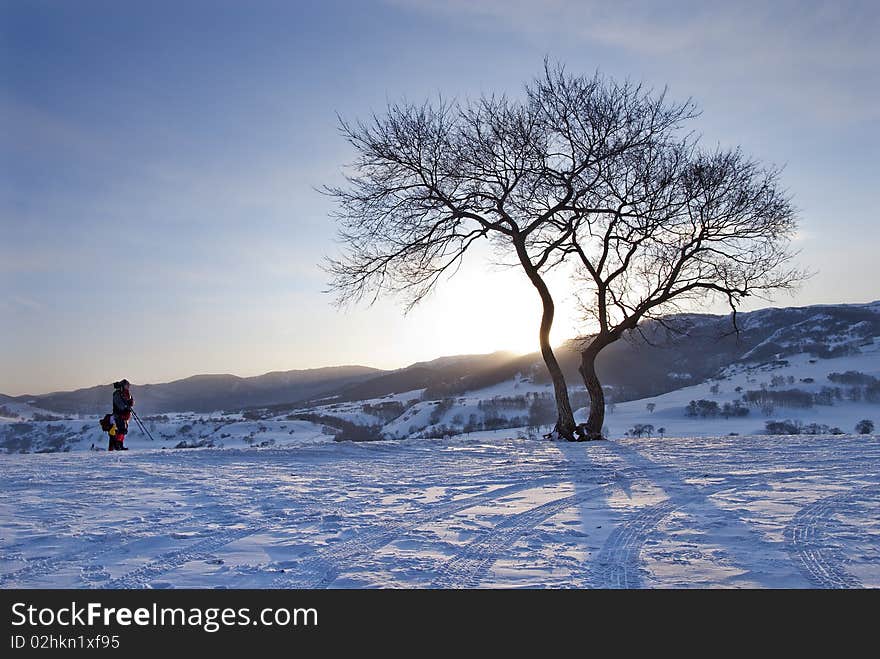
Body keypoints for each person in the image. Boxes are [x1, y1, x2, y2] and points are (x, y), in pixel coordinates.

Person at [110, 379, 134, 451]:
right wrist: (126, 407)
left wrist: (129, 404)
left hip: (125, 415)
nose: (128, 387)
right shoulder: (117, 394)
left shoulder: (125, 393)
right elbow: (119, 405)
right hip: (119, 415)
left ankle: (120, 445)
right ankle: (118, 445)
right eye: (127, 386)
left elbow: (130, 402)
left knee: (123, 430)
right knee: (121, 430)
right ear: (123, 386)